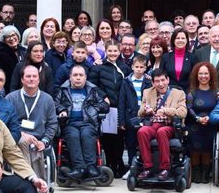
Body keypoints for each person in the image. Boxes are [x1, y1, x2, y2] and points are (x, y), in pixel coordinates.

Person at [55, 65, 110, 180]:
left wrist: (93, 107)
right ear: (70, 77)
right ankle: (79, 167)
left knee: (86, 134)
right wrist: (62, 110)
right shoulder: (63, 90)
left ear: (85, 77)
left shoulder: (92, 90)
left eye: (81, 75)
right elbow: (54, 104)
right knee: (73, 136)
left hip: (88, 123)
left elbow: (105, 105)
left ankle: (91, 167)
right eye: (75, 75)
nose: (78, 78)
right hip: (69, 123)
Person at [6, 65, 58, 182]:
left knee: (35, 147)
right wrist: (21, 134)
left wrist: (44, 141)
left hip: (39, 139)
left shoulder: (47, 99)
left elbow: (52, 124)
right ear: (22, 80)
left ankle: (36, 182)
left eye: (34, 76)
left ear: (39, 80)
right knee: (24, 142)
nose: (31, 79)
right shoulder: (11, 98)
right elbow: (6, 123)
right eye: (28, 76)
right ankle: (30, 181)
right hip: (18, 138)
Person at [88, 41, 131, 177]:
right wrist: (103, 96)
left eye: (115, 51)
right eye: (110, 51)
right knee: (107, 137)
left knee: (119, 138)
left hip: (120, 107)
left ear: (119, 52)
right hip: (105, 108)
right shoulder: (98, 68)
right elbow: (92, 85)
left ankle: (119, 163)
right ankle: (110, 164)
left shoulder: (124, 68)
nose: (113, 53)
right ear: (106, 51)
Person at [136, 69, 187, 180]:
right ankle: (147, 167)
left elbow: (183, 113)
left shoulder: (178, 93)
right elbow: (139, 112)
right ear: (153, 83)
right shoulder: (147, 92)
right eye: (157, 81)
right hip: (152, 124)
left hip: (169, 125)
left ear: (167, 80)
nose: (161, 84)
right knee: (142, 131)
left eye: (163, 80)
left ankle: (165, 168)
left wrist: (166, 110)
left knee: (162, 131)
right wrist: (146, 110)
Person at [186, 62, 219, 183]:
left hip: (210, 125)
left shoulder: (216, 92)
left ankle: (205, 173)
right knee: (195, 147)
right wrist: (197, 118)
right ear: (196, 75)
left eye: (206, 73)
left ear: (210, 75)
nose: (203, 76)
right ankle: (196, 173)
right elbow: (189, 108)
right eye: (200, 73)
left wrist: (210, 118)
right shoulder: (192, 92)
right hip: (195, 125)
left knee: (207, 148)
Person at [118, 55, 152, 168]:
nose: (138, 69)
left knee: (143, 141)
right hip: (130, 117)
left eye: (141, 67)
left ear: (145, 68)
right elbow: (121, 102)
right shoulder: (126, 82)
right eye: (136, 66)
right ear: (132, 67)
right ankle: (132, 167)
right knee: (131, 142)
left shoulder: (148, 82)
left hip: (145, 116)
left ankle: (144, 165)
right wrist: (121, 121)